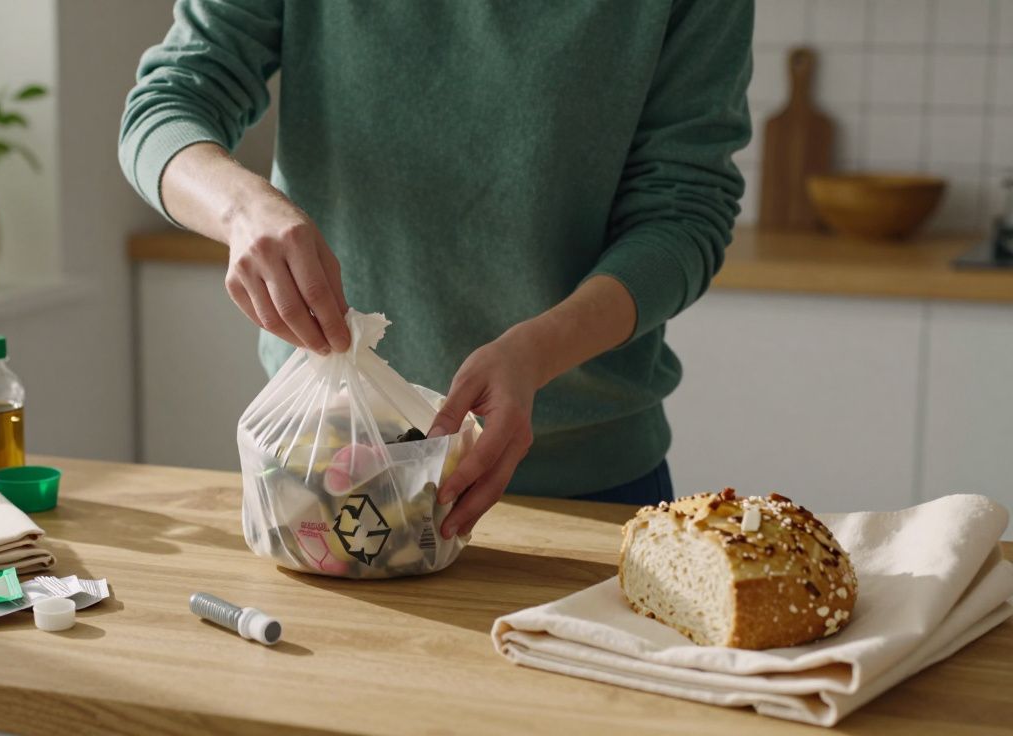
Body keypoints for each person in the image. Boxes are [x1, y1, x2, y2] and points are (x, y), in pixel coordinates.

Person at [120, 1, 751, 540]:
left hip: (585, 486)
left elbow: (684, 211)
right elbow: (168, 100)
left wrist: (539, 351)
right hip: (327, 465)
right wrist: (241, 209)